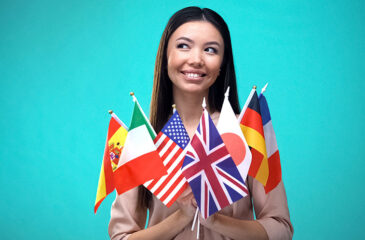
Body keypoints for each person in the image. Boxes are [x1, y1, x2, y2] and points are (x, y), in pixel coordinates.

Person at [109, 6, 293, 240]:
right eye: (183, 46)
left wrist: (216, 220)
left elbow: (281, 229)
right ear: (166, 55)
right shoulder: (141, 139)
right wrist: (181, 217)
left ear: (222, 63)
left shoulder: (247, 130)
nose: (196, 60)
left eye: (210, 50)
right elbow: (121, 237)